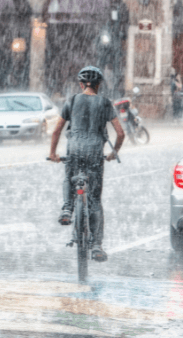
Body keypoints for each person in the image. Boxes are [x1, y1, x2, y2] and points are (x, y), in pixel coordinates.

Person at [48, 66, 125, 262]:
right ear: (99, 85)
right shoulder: (105, 103)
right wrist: (113, 153)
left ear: (81, 84)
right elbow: (121, 133)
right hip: (94, 154)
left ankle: (67, 208)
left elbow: (56, 131)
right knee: (95, 201)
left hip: (74, 151)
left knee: (69, 176)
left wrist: (52, 153)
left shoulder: (72, 100)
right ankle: (97, 246)